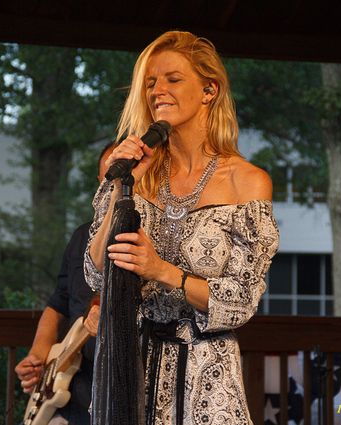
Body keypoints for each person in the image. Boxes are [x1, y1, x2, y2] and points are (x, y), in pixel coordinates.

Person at [84, 31, 280, 425]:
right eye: (152, 82)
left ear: (209, 90)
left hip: (208, 378)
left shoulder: (248, 182)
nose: (158, 91)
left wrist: (162, 271)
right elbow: (94, 272)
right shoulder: (135, 173)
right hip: (133, 371)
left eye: (173, 79)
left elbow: (241, 301)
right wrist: (122, 186)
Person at [15, 142, 114, 425]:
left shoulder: (147, 240)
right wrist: (38, 357)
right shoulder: (81, 236)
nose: (115, 185)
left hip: (114, 395)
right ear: (99, 182)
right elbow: (57, 303)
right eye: (109, 177)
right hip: (70, 397)